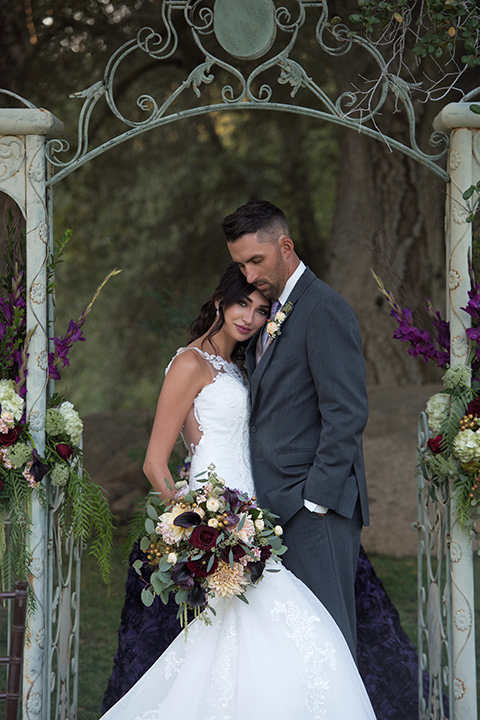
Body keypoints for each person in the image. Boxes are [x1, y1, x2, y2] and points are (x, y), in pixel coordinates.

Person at [99, 262, 377, 720]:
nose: (249, 317)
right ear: (219, 303)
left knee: (257, 635)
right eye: (241, 304)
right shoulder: (190, 363)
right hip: (221, 519)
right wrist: (193, 528)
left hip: (253, 519)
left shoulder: (240, 366)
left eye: (261, 309)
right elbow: (155, 462)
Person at [224, 200, 368, 656]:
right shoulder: (275, 311)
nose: (248, 276)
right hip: (273, 508)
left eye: (255, 261)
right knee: (292, 651)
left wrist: (316, 501)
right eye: (240, 265)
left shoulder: (324, 308)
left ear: (285, 246)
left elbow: (346, 412)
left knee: (329, 644)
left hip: (313, 510)